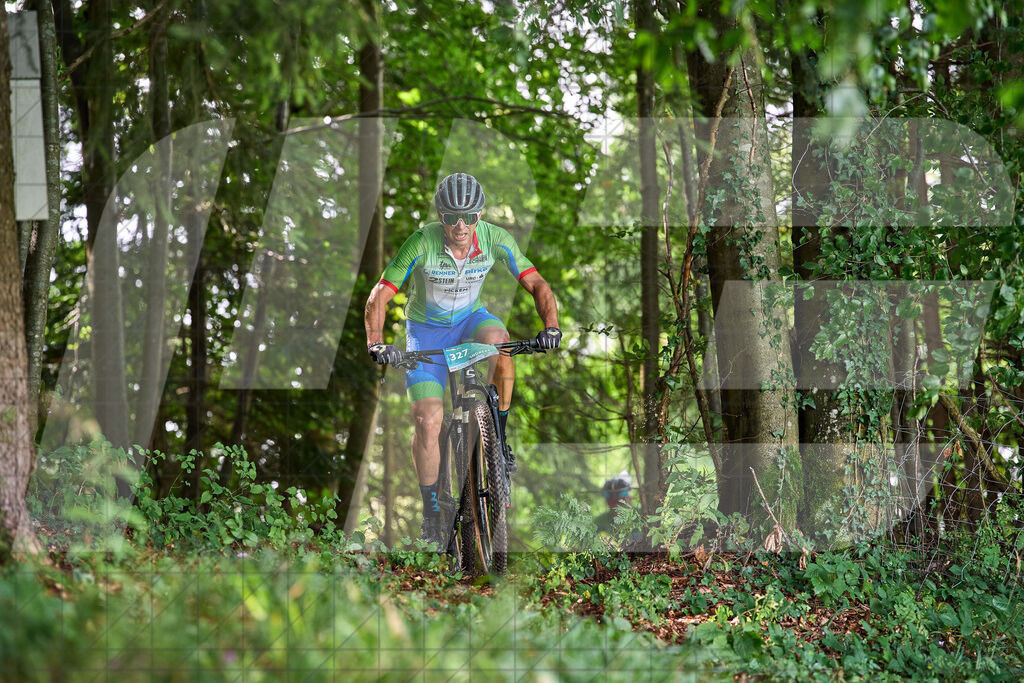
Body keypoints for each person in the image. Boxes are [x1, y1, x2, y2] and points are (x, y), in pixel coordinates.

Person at [364, 172, 561, 546]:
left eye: (469, 217)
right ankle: (431, 511)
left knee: (501, 343)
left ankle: (497, 438)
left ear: (480, 215)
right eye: (452, 216)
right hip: (426, 332)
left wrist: (550, 327)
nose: (460, 225)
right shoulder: (421, 243)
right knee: (427, 419)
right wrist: (376, 343)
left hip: (472, 321)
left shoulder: (494, 239)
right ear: (440, 215)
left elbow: (536, 283)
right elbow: (380, 293)